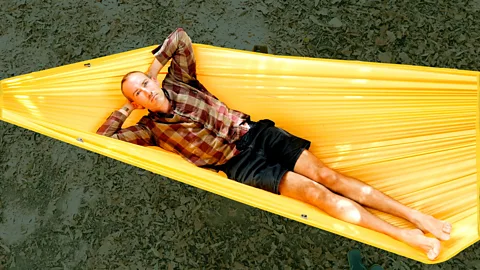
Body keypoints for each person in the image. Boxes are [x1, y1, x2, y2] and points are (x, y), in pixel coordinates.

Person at [96, 28, 452, 260]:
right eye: (139, 93)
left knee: (328, 175)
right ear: (138, 103)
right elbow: (104, 138)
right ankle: (405, 236)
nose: (146, 91)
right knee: (318, 195)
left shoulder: (180, 80)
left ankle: (414, 215)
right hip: (240, 165)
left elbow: (180, 39)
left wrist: (153, 72)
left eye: (145, 84)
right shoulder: (150, 130)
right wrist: (129, 104)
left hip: (255, 132)